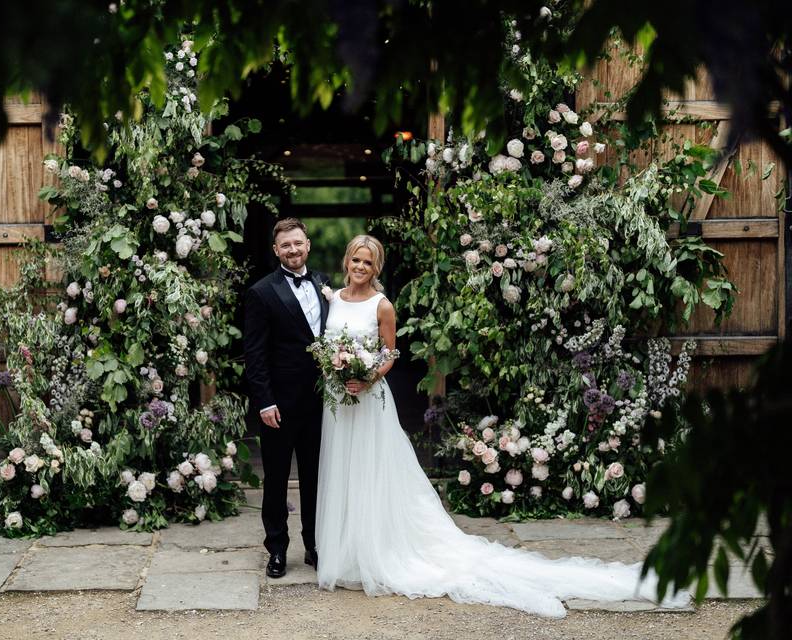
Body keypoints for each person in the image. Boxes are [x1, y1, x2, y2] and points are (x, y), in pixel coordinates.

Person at [314, 234, 691, 618]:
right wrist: (337, 368)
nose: (360, 268)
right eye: (356, 261)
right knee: (343, 472)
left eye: (368, 263)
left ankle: (377, 551)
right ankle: (346, 551)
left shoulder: (383, 305)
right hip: (339, 405)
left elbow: (389, 352)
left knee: (371, 473)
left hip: (369, 400)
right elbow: (331, 347)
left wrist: (367, 377)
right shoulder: (333, 300)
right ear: (346, 261)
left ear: (376, 268)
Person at [243, 218, 331, 578]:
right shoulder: (261, 292)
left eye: (298, 243)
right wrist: (265, 402)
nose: (293, 250)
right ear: (276, 251)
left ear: (307, 244)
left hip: (322, 403)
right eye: (286, 245)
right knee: (276, 480)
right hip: (278, 405)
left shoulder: (325, 285)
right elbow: (255, 354)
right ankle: (277, 550)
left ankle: (314, 546)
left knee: (316, 478)